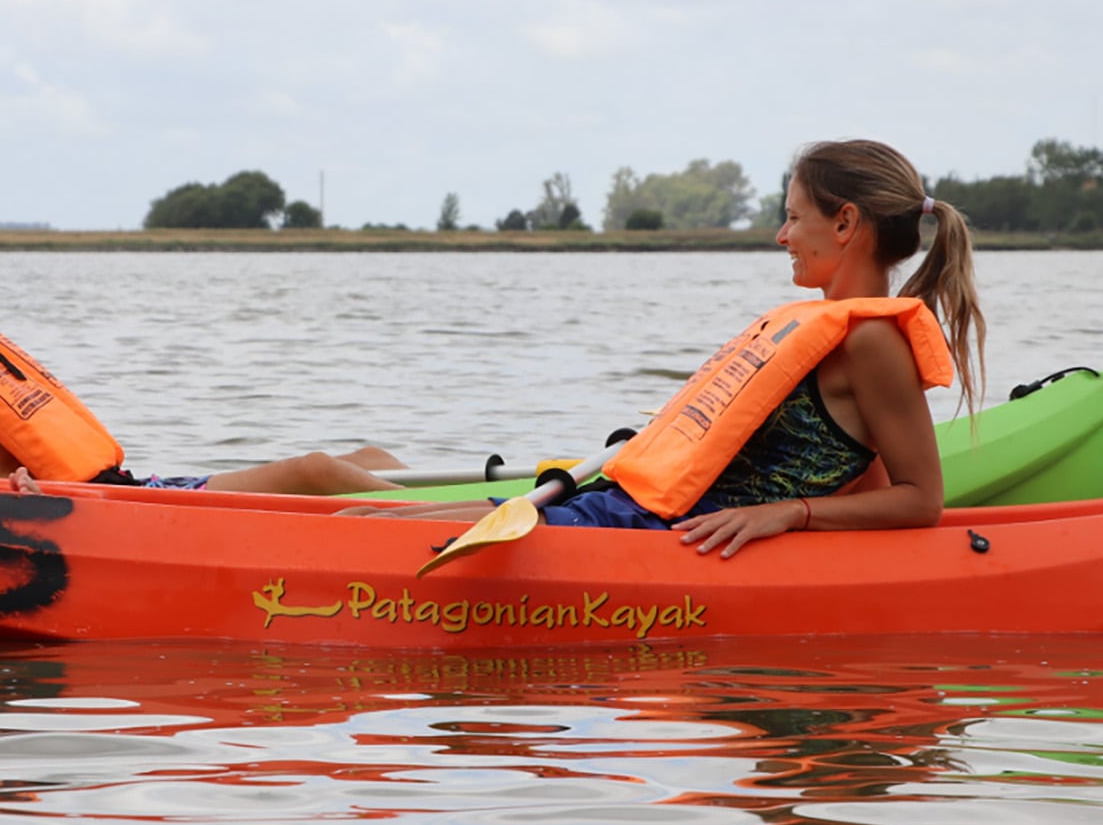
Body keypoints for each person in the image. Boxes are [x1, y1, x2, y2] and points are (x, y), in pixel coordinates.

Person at [354, 139, 985, 556]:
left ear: (845, 223)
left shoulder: (873, 340)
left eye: (794, 218)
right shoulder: (823, 327)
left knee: (383, 539)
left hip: (665, 536)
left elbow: (921, 499)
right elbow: (860, 468)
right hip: (630, 510)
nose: (781, 235)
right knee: (364, 525)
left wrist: (789, 515)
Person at [0, 146, 406, 493]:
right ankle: (485, 539)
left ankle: (479, 521)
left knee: (371, 457)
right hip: (82, 520)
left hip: (117, 496)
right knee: (315, 474)